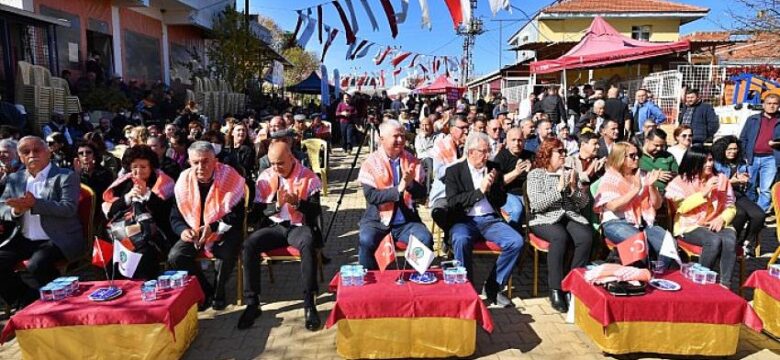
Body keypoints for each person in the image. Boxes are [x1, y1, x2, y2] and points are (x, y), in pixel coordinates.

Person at [239, 142, 323, 331]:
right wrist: (276, 206)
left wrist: (298, 203)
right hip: (275, 226)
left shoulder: (308, 176)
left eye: (281, 163)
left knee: (307, 243)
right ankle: (252, 303)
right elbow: (257, 214)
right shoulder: (266, 177)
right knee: (249, 245)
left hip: (298, 226)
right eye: (273, 163)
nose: (276, 168)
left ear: (291, 158)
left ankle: (310, 302)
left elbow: (315, 210)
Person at [0, 136, 84, 309]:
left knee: (37, 265)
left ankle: (60, 304)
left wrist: (35, 204)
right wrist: (16, 210)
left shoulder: (65, 176)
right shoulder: (15, 178)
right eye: (26, 152)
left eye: (37, 150)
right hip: (23, 238)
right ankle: (25, 303)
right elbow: (2, 207)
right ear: (20, 157)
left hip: (57, 238)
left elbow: (68, 208)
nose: (32, 155)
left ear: (48, 153)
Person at [446, 132, 523, 307]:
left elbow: (501, 200)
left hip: (490, 220)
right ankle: (467, 288)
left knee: (516, 241)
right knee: (460, 239)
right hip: (464, 220)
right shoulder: (454, 171)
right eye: (483, 151)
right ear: (470, 152)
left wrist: (493, 188)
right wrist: (479, 191)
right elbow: (452, 202)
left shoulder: (493, 168)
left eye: (488, 151)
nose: (487, 155)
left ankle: (493, 287)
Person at [168, 142, 246, 311]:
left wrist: (213, 227)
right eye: (196, 162)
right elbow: (175, 217)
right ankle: (205, 290)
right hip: (195, 231)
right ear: (189, 162)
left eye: (205, 161)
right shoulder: (182, 181)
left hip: (225, 229)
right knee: (176, 256)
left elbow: (237, 216)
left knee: (225, 253)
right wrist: (183, 231)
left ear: (215, 161)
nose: (201, 166)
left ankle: (219, 292)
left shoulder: (230, 177)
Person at [527, 138, 592, 313]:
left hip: (568, 215)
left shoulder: (571, 172)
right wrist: (558, 189)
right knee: (559, 237)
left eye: (564, 152)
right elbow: (537, 205)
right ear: (548, 155)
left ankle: (573, 285)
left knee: (585, 237)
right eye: (560, 152)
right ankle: (555, 288)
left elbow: (582, 203)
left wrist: (572, 189)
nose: (564, 155)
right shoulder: (536, 174)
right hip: (543, 218)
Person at [357, 120, 433, 269]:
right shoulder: (370, 163)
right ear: (382, 139)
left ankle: (415, 277)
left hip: (406, 222)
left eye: (402, 136)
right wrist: (399, 189)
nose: (400, 140)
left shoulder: (412, 161)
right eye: (396, 136)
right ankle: (370, 281)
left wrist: (410, 184)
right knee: (365, 240)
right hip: (377, 221)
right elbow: (372, 197)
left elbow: (422, 194)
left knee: (425, 238)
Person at [665, 147, 737, 288]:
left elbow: (731, 206)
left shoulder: (721, 179)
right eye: (704, 162)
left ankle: (725, 285)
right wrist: (704, 192)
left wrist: (722, 218)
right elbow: (681, 208)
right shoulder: (680, 182)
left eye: (710, 160)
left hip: (716, 221)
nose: (709, 164)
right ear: (694, 162)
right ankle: (701, 282)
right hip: (690, 224)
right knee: (713, 241)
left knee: (729, 241)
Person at [101, 145, 176, 280]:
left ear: (151, 167)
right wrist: (128, 197)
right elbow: (111, 212)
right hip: (124, 232)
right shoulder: (124, 183)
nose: (138, 171)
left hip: (155, 233)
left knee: (142, 253)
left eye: (143, 167)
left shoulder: (163, 182)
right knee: (111, 253)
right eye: (135, 167)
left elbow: (166, 213)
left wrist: (147, 195)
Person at [594, 142, 674, 266]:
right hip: (616, 222)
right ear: (620, 158)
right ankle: (638, 278)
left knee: (668, 245)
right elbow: (613, 206)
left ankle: (659, 275)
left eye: (637, 155)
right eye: (632, 156)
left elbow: (657, 205)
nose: (637, 158)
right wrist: (636, 189)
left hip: (644, 222)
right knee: (639, 243)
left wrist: (651, 186)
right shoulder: (610, 178)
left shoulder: (642, 175)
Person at [712, 136, 765, 255]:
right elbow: (714, 184)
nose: (733, 152)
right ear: (722, 149)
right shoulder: (715, 163)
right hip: (722, 195)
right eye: (729, 149)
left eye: (735, 149)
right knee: (740, 213)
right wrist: (731, 181)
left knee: (759, 215)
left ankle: (746, 241)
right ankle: (731, 242)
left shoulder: (741, 162)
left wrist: (745, 179)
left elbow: (745, 179)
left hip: (739, 194)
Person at [429, 116, 469, 244]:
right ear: (452, 130)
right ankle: (451, 237)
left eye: (467, 127)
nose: (466, 131)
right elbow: (440, 173)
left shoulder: (470, 146)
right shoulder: (441, 145)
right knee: (439, 212)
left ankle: (452, 239)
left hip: (465, 192)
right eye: (462, 128)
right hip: (444, 193)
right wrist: (460, 161)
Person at [739, 93, 780, 213]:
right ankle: (749, 212)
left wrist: (777, 144)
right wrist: (744, 155)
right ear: (763, 104)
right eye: (769, 103)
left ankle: (759, 214)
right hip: (752, 157)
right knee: (749, 186)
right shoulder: (752, 119)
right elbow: (743, 138)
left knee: (765, 189)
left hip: (771, 158)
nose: (772, 106)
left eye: (775, 104)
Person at [493, 128, 534, 231]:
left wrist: (531, 171)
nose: (517, 143)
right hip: (507, 194)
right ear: (507, 141)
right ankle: (512, 238)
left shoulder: (531, 156)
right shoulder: (501, 157)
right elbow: (498, 183)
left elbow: (539, 179)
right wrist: (516, 172)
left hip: (527, 193)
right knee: (517, 209)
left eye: (520, 140)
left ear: (524, 140)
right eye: (513, 140)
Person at [638, 128, 677, 194]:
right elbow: (629, 172)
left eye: (662, 146)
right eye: (656, 145)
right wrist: (653, 175)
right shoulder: (637, 155)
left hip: (665, 194)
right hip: (643, 194)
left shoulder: (668, 156)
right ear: (647, 141)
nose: (659, 148)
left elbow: (676, 174)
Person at [414, 116, 436, 191]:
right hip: (422, 160)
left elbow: (437, 151)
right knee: (429, 161)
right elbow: (419, 152)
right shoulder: (418, 137)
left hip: (436, 159)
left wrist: (427, 150)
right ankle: (427, 191)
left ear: (431, 126)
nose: (424, 127)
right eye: (422, 125)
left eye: (427, 125)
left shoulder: (438, 136)